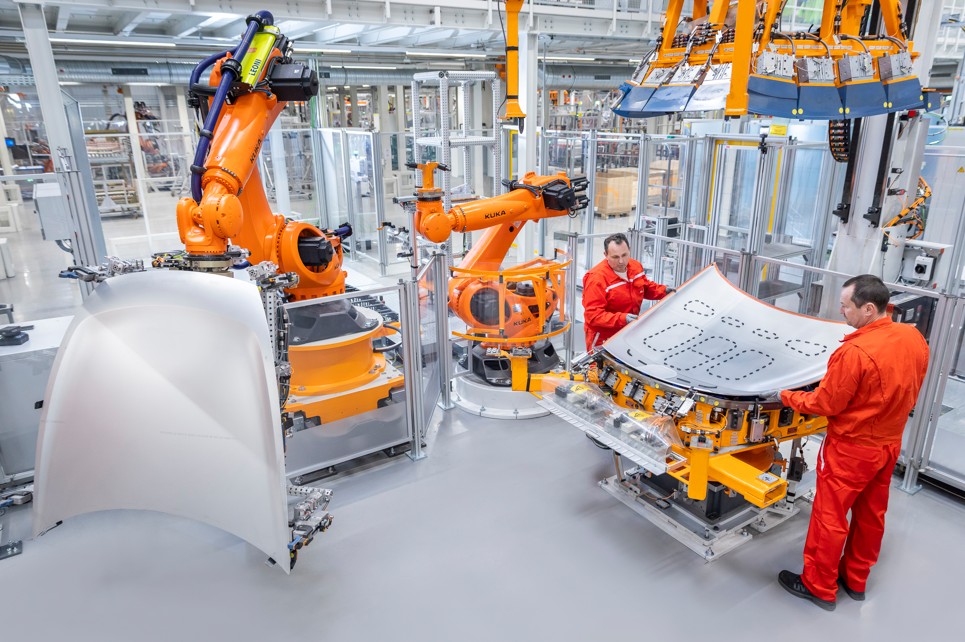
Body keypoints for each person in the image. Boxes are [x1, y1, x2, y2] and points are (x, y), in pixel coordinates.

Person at [776, 274, 929, 611]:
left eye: (846, 306)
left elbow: (825, 404)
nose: (841, 311)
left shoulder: (855, 352)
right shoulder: (913, 337)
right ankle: (855, 579)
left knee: (829, 517)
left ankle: (818, 585)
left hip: (851, 449)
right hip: (889, 444)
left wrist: (787, 396)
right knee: (871, 514)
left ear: (869, 309)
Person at [581, 233, 673, 351]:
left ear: (629, 250)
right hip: (604, 338)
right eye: (615, 257)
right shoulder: (597, 279)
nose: (621, 261)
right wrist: (623, 319)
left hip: (628, 331)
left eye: (624, 255)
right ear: (606, 255)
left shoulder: (635, 266)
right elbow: (593, 316)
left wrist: (664, 291)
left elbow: (644, 287)